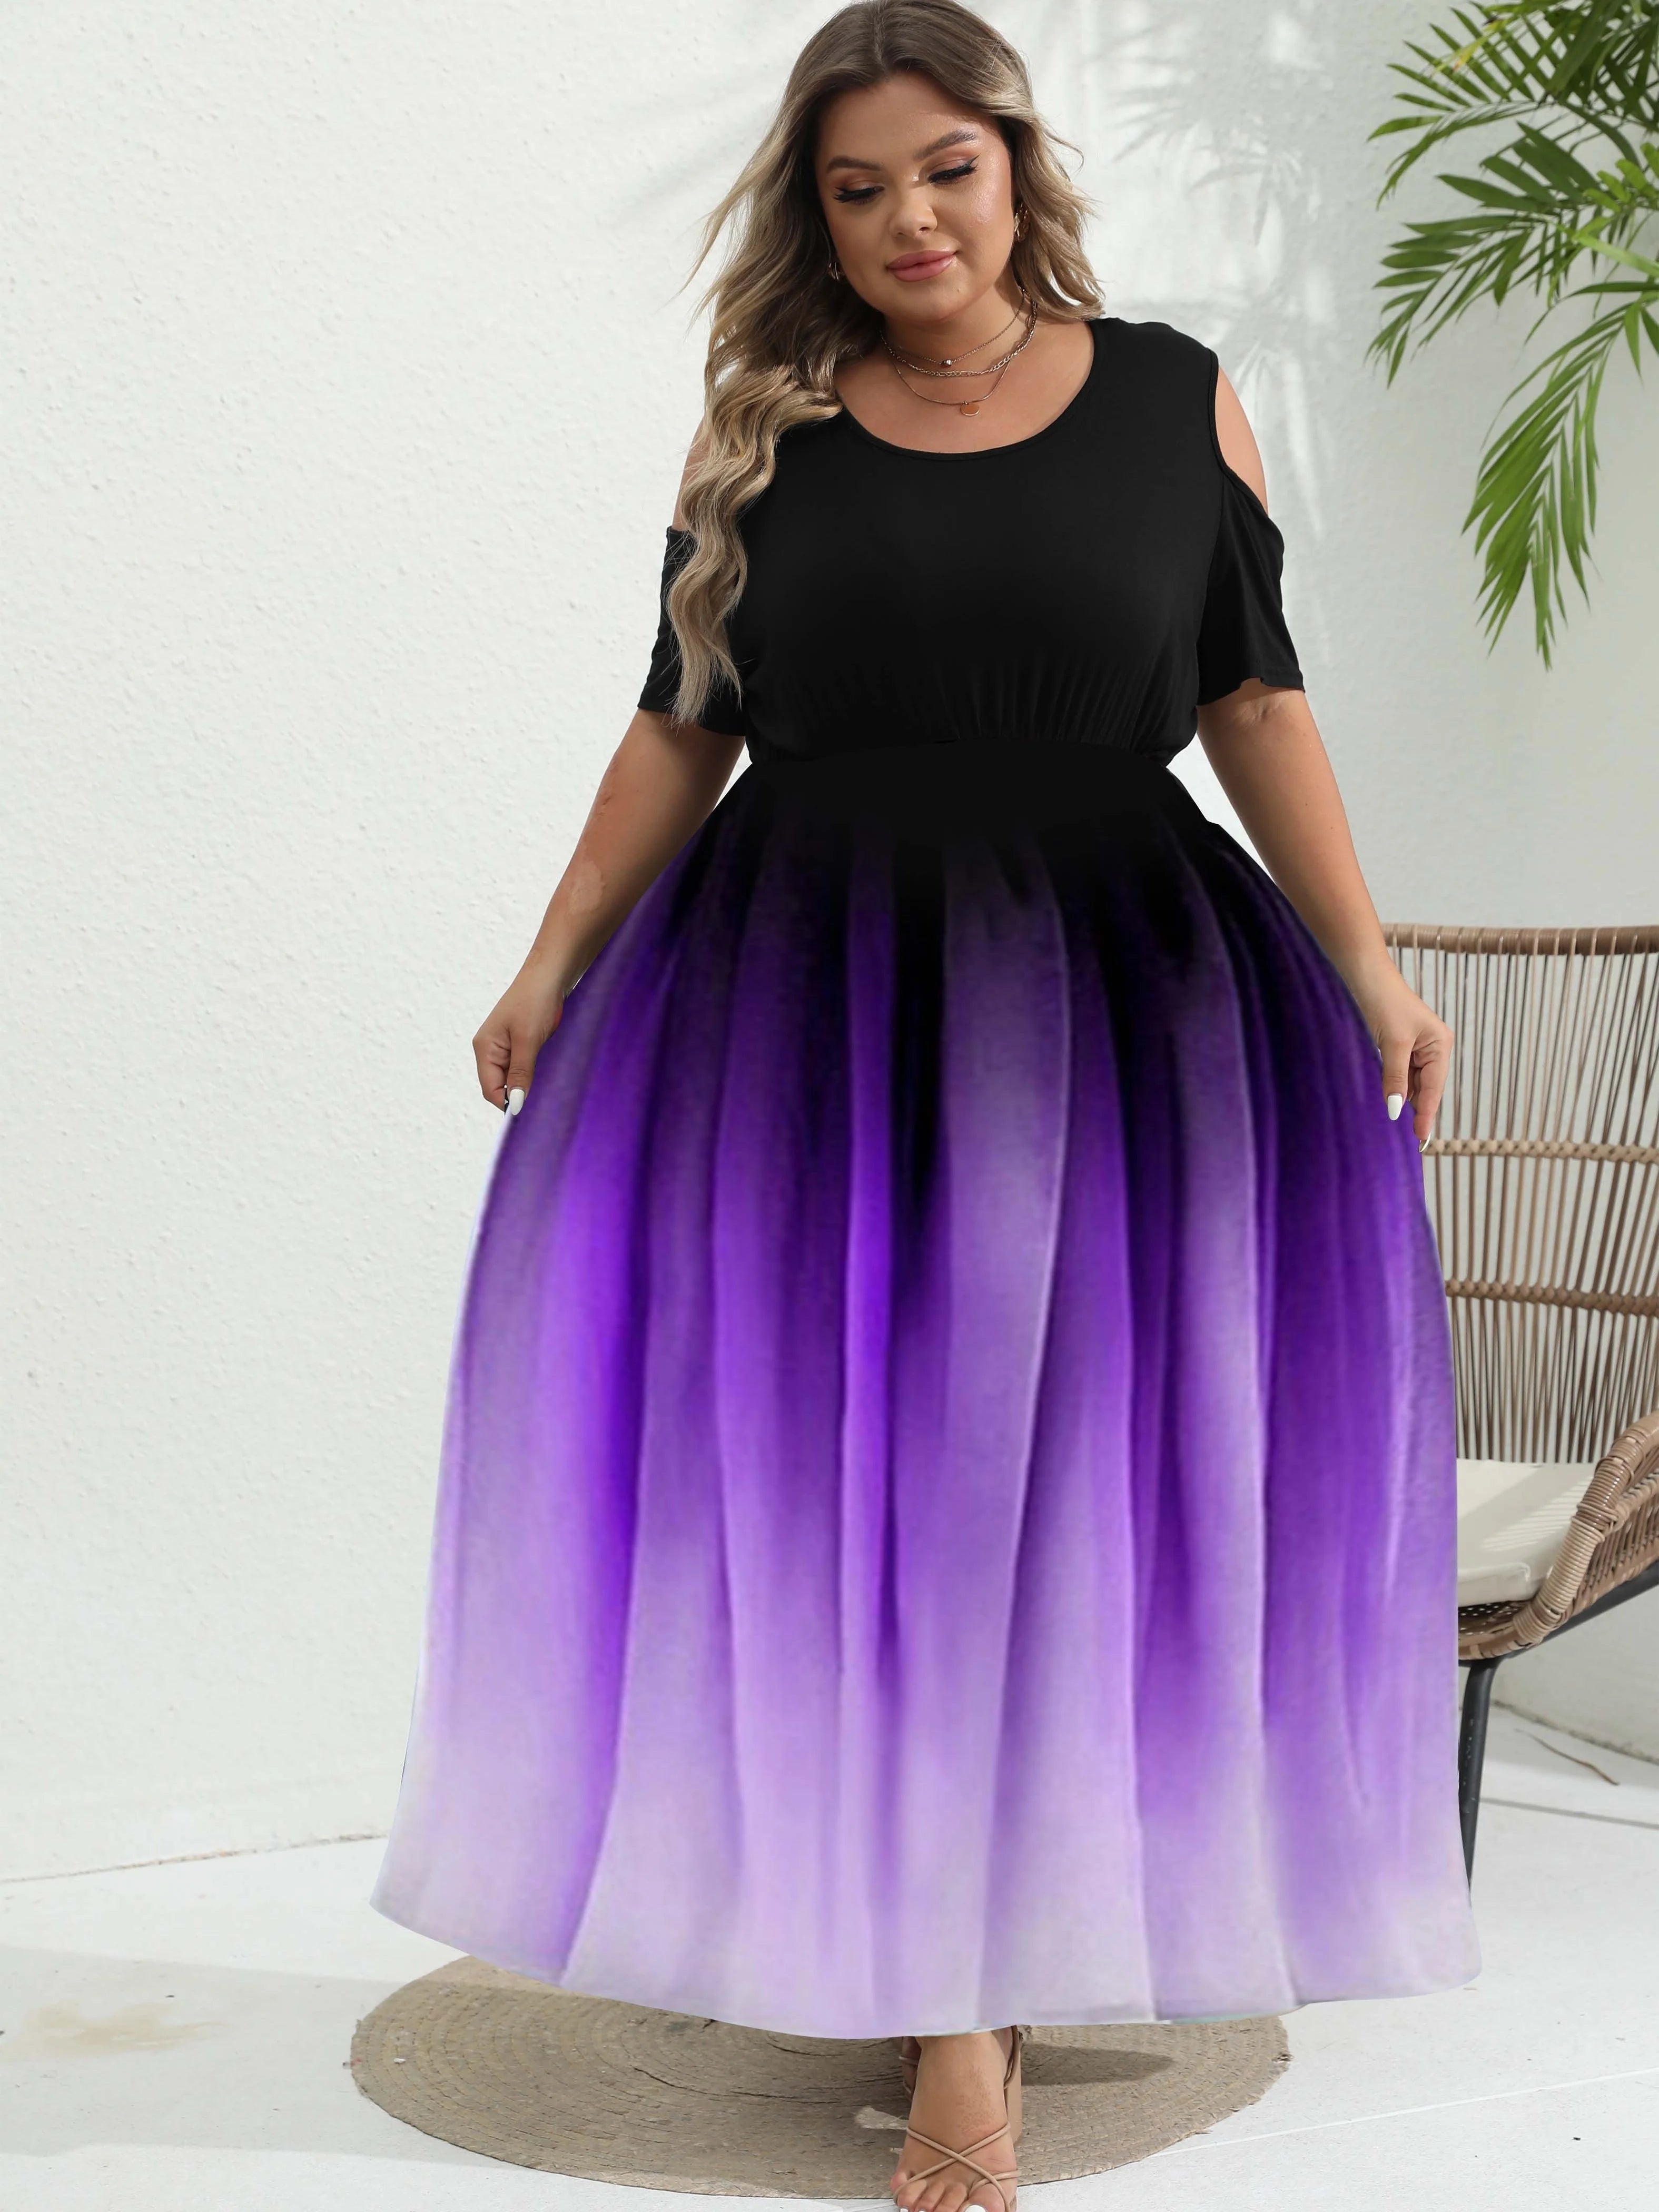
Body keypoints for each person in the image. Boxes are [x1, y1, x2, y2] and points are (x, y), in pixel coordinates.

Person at [371, 5, 1482, 2206]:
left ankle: (982, 1964)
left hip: (1120, 1005)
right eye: (857, 187)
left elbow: (1254, 702)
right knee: (853, 1481)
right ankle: (923, 1966)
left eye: (943, 171)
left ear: (1015, 164)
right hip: (810, 1005)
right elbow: (678, 724)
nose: (909, 222)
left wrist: (1368, 960)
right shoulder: (765, 428)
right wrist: (551, 952)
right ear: (816, 211)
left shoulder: (1172, 397)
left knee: (1059, 1487)